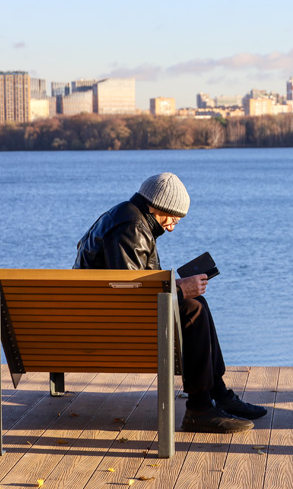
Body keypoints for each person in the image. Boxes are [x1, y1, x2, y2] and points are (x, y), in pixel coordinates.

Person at [74, 172, 267, 433]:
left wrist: (177, 287)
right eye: (173, 216)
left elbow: (129, 284)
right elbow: (130, 296)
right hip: (108, 329)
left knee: (195, 301)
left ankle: (217, 393)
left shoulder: (128, 217)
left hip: (102, 317)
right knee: (193, 309)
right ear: (157, 205)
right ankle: (200, 409)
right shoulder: (131, 227)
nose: (175, 223)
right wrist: (178, 291)